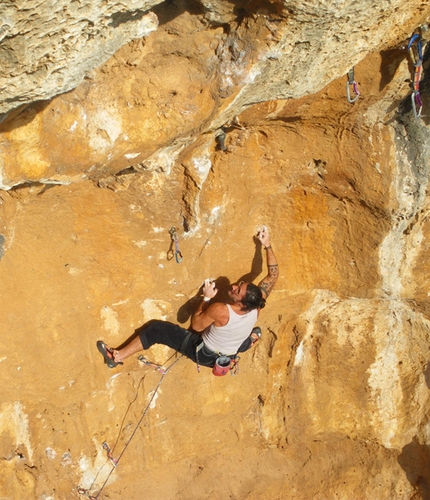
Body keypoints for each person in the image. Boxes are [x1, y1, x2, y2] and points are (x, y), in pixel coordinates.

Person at [97, 225, 278, 370]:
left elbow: (196, 325)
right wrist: (266, 244)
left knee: (155, 330)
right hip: (229, 353)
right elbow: (273, 275)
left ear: (241, 302)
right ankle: (251, 339)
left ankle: (117, 357)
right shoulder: (257, 304)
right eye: (241, 283)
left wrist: (206, 298)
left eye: (237, 290)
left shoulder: (222, 310)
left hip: (205, 355)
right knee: (245, 338)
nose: (234, 286)